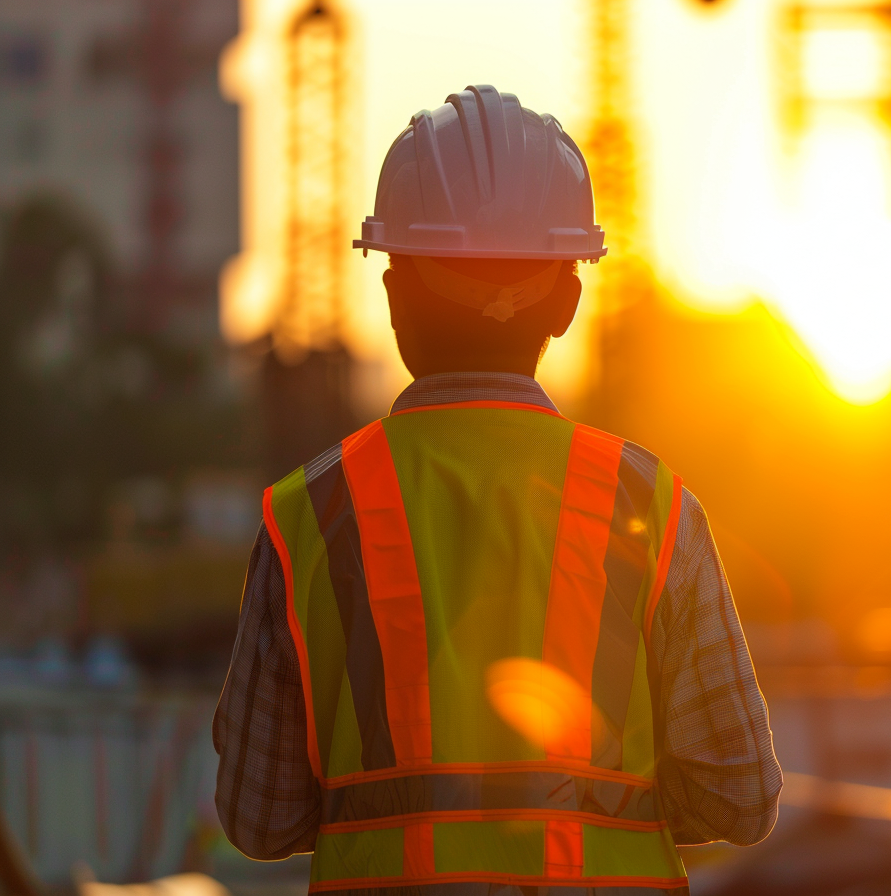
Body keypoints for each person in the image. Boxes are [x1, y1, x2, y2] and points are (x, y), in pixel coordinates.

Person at [214, 85, 781, 896]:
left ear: (395, 295)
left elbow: (259, 818)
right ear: (568, 301)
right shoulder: (650, 507)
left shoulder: (310, 514)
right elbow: (740, 797)